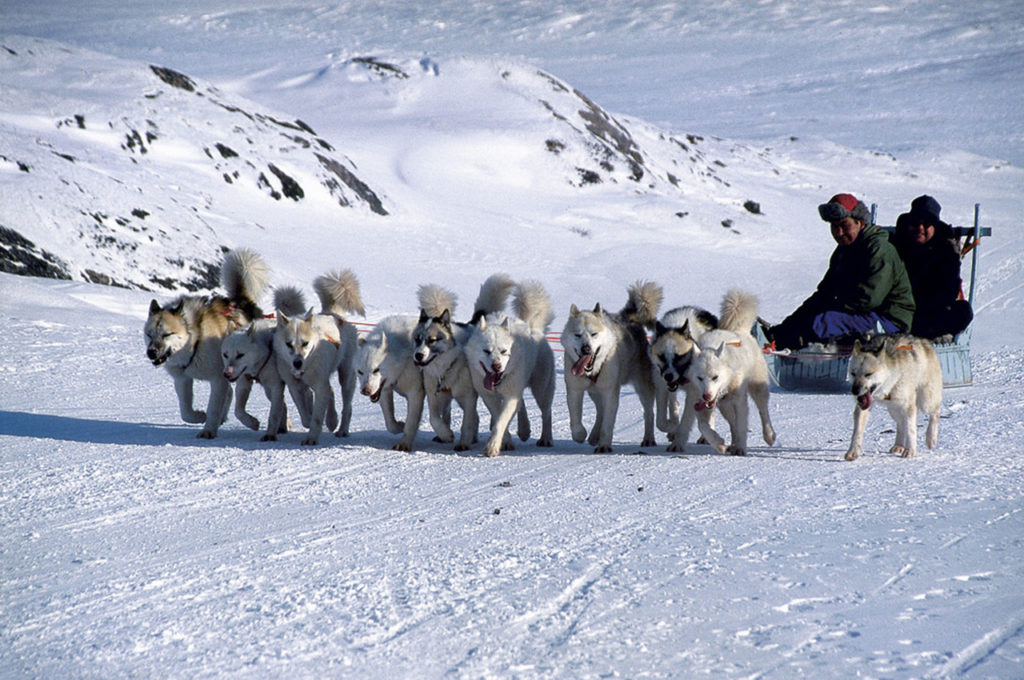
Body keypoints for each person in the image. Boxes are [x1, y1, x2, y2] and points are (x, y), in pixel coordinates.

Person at [767, 193, 915, 350]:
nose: (839, 232)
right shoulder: (844, 251)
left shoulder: (878, 249)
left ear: (860, 222)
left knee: (823, 323)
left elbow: (868, 299)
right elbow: (825, 293)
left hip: (888, 319)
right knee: (813, 318)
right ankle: (779, 340)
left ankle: (795, 349)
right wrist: (791, 323)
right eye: (834, 227)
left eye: (844, 225)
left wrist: (826, 311)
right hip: (862, 314)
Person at [890, 195, 973, 340]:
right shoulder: (896, 246)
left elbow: (949, 291)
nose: (920, 228)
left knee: (963, 311)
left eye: (926, 224)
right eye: (915, 223)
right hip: (899, 309)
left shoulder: (945, 251)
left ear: (934, 226)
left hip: (929, 311)